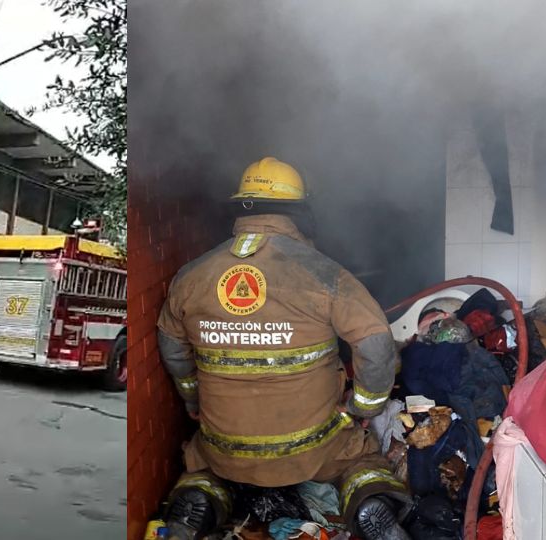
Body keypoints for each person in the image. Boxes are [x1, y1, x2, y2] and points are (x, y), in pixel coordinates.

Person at [157, 157, 410, 540]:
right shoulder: (325, 274)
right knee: (358, 460)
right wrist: (363, 407)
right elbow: (376, 344)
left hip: (224, 446)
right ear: (299, 212)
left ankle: (199, 500)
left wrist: (193, 402)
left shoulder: (191, 276)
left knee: (204, 465)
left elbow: (173, 352)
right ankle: (370, 500)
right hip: (315, 448)